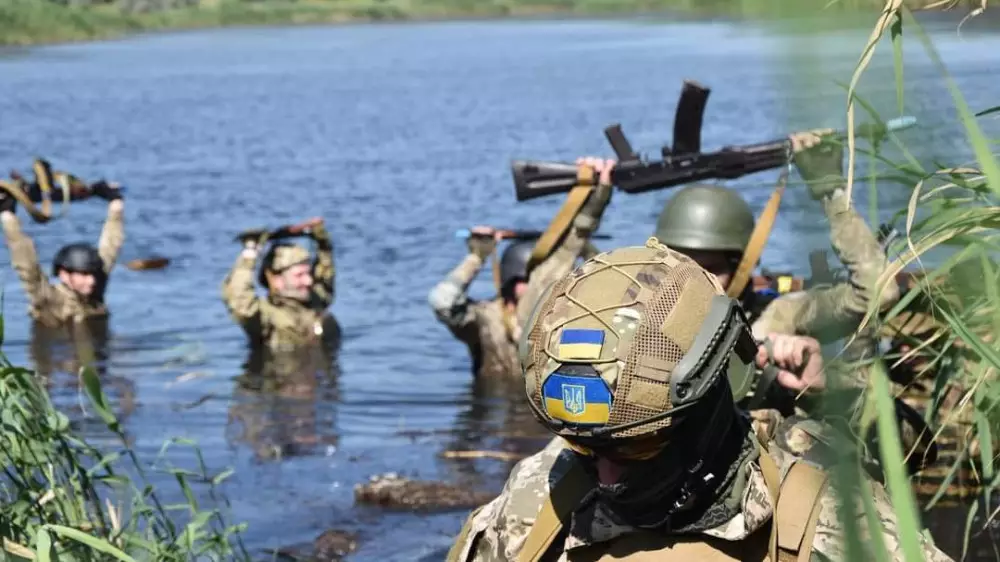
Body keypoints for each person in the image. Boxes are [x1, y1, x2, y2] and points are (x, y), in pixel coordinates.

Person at [447, 240, 953, 562]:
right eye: (582, 445)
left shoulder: (826, 520)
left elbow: (913, 451)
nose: (605, 477)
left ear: (705, 406)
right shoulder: (544, 494)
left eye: (637, 446)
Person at [428, 158, 614, 379]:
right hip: (497, 400)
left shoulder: (557, 321)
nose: (534, 286)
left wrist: (593, 203)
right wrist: (476, 258)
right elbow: (442, 302)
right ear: (510, 282)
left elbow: (604, 289)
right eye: (526, 281)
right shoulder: (486, 319)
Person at [1, 172, 125, 326]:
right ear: (64, 275)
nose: (92, 280)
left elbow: (111, 245)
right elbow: (26, 265)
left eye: (92, 274)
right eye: (84, 274)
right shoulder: (48, 298)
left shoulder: (94, 294)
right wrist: (7, 216)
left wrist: (116, 204)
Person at [221, 217, 338, 352]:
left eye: (308, 273)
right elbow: (240, 300)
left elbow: (325, 275)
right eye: (299, 275)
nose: (308, 281)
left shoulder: (315, 301)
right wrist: (250, 251)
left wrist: (322, 243)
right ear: (277, 281)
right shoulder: (266, 319)